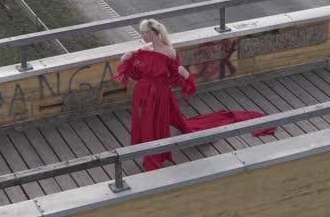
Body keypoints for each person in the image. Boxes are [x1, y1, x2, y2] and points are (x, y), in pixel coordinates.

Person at [112, 19, 274, 171]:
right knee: (145, 122)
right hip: (141, 92)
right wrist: (126, 59)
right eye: (141, 32)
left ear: (153, 33)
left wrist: (185, 75)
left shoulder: (170, 53)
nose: (142, 36)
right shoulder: (144, 50)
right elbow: (137, 75)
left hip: (159, 93)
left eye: (144, 32)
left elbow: (174, 78)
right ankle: (145, 148)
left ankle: (154, 155)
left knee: (153, 123)